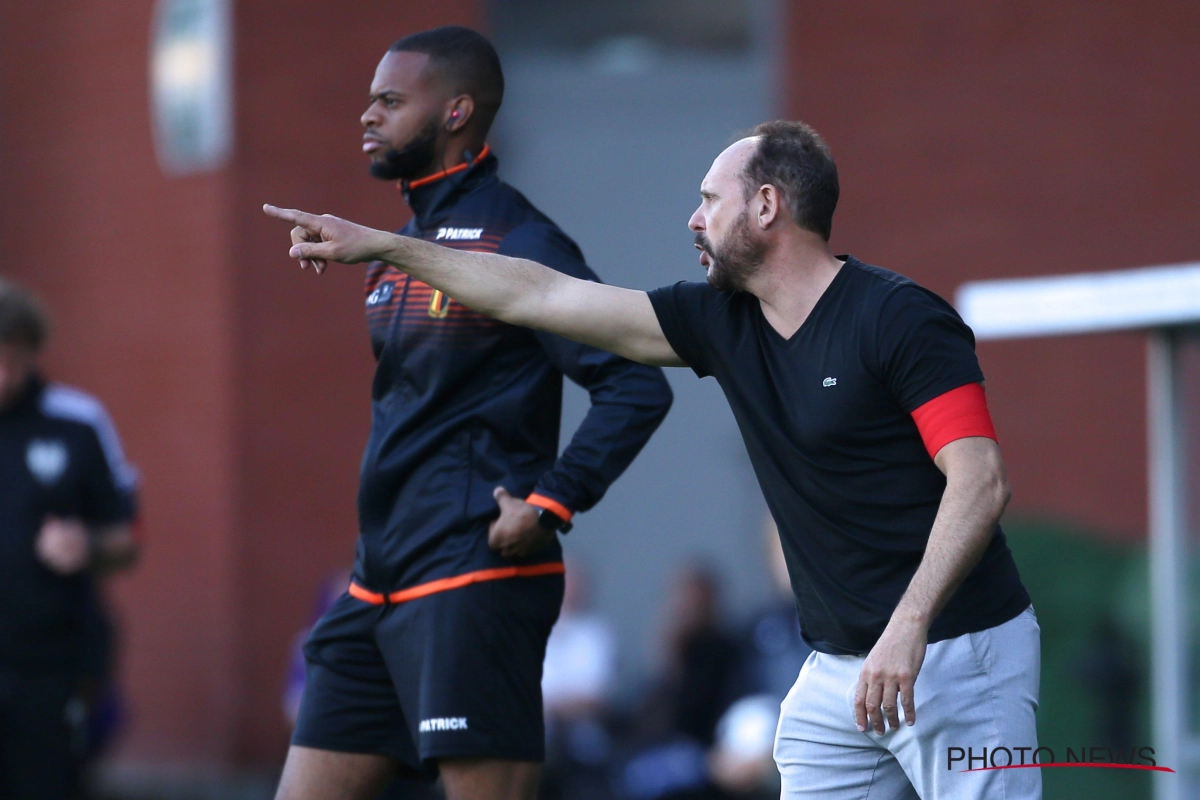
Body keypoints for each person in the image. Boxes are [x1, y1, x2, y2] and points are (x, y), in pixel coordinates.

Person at [265, 118, 1041, 799]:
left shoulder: (898, 319)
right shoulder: (720, 321)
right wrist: (392, 247)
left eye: (710, 198)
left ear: (767, 206)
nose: (693, 218)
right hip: (841, 667)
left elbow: (980, 478)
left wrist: (909, 628)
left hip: (956, 650)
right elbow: (541, 298)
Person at [273, 26, 674, 800]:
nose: (368, 115)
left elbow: (634, 384)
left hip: (472, 581)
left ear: (456, 111)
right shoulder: (396, 248)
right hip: (373, 588)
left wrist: (551, 502)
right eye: (369, 100)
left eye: (390, 101)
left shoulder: (518, 241)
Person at [0, 278, 140, 800]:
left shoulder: (76, 422)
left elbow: (128, 540)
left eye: (11, 359)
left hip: (50, 666)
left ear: (33, 352)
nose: (1, 375)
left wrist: (87, 544)